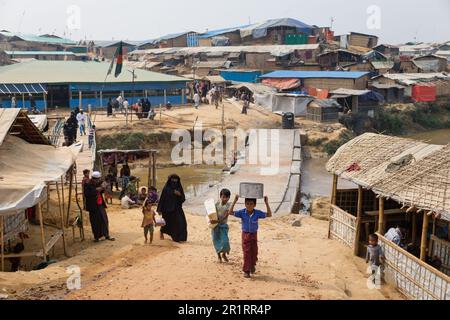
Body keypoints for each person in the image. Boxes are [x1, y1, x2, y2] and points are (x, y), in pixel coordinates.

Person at [228, 195, 272, 278]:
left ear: (254, 205)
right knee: (247, 252)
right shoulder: (242, 212)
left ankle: (252, 266)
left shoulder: (257, 213)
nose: (249, 206)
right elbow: (230, 212)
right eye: (247, 203)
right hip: (245, 235)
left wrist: (266, 203)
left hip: (254, 235)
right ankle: (246, 271)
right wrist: (235, 201)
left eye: (251, 204)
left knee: (254, 252)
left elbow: (269, 214)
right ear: (245, 204)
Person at [84, 171, 115, 242]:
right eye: (97, 179)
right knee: (95, 222)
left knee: (104, 220)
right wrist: (98, 189)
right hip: (93, 206)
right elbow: (87, 194)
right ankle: (97, 237)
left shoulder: (98, 183)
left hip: (100, 204)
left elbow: (101, 191)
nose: (98, 180)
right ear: (94, 179)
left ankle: (106, 235)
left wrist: (103, 188)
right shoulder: (88, 184)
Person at [157, 174, 188, 243]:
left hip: (177, 209)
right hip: (167, 210)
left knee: (181, 223)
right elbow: (162, 199)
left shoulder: (179, 188)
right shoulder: (166, 189)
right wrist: (159, 209)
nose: (174, 181)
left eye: (176, 180)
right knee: (167, 223)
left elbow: (183, 198)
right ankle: (161, 232)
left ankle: (179, 238)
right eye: (173, 180)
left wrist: (179, 195)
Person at [210, 189, 232, 263]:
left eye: (227, 197)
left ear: (229, 197)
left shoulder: (229, 205)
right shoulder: (216, 205)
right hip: (215, 226)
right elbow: (211, 213)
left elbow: (225, 217)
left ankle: (224, 254)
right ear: (220, 197)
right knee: (216, 241)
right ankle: (219, 256)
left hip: (223, 226)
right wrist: (211, 221)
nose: (225, 199)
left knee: (225, 241)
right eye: (223, 197)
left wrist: (216, 221)